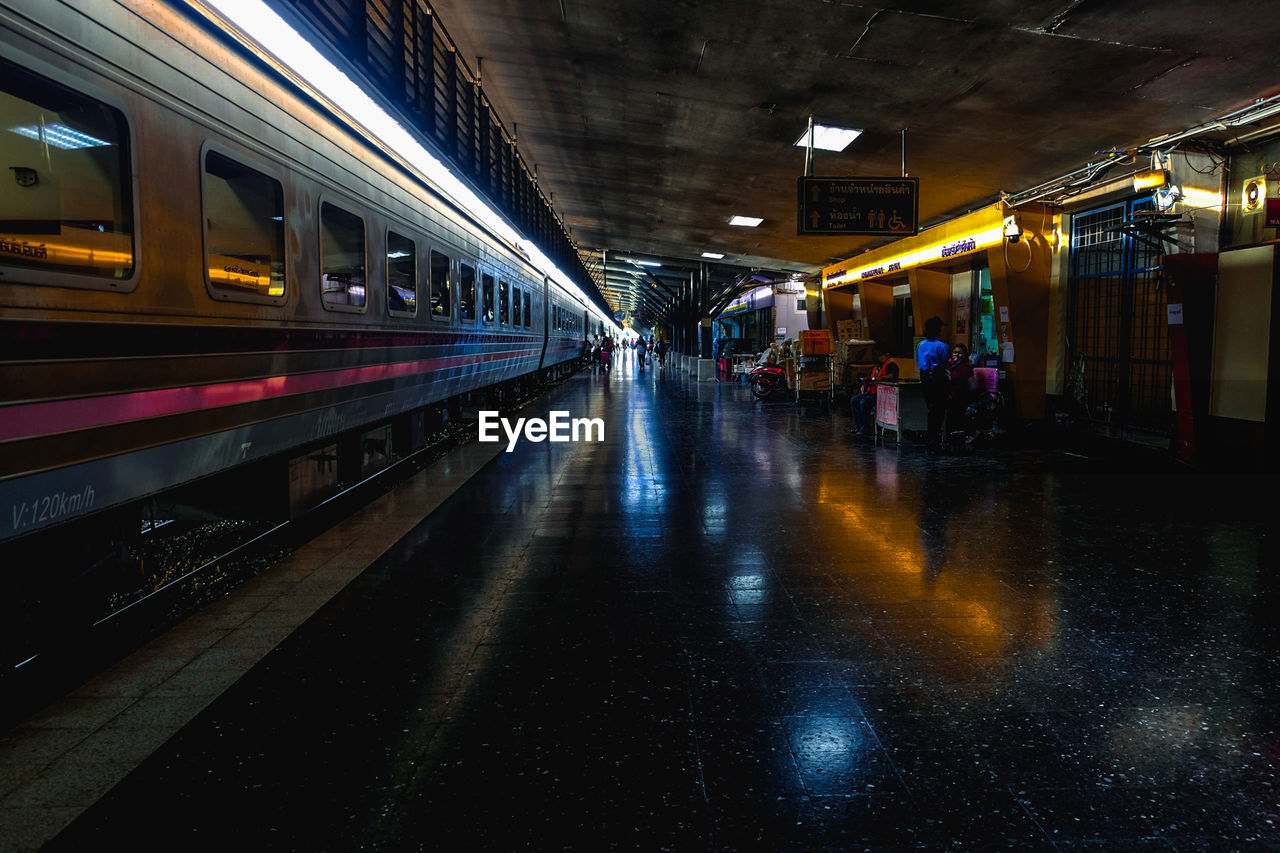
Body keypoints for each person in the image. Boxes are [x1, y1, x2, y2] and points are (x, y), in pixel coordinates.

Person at [850, 343, 899, 437]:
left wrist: (874, 379)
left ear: (887, 355)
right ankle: (858, 425)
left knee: (863, 403)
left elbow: (891, 376)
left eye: (880, 355)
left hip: (882, 395)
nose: (878, 357)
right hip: (871, 391)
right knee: (854, 400)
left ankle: (865, 427)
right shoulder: (878, 366)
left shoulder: (891, 365)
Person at [917, 316, 950, 452]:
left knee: (931, 409)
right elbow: (946, 362)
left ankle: (931, 439)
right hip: (938, 380)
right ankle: (933, 440)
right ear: (938, 330)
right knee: (939, 411)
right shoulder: (942, 346)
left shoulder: (921, 345)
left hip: (925, 379)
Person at [945, 342, 975, 450]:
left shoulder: (968, 367)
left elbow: (961, 381)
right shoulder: (950, 365)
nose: (957, 355)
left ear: (965, 355)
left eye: (960, 353)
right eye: (955, 352)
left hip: (962, 394)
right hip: (952, 393)